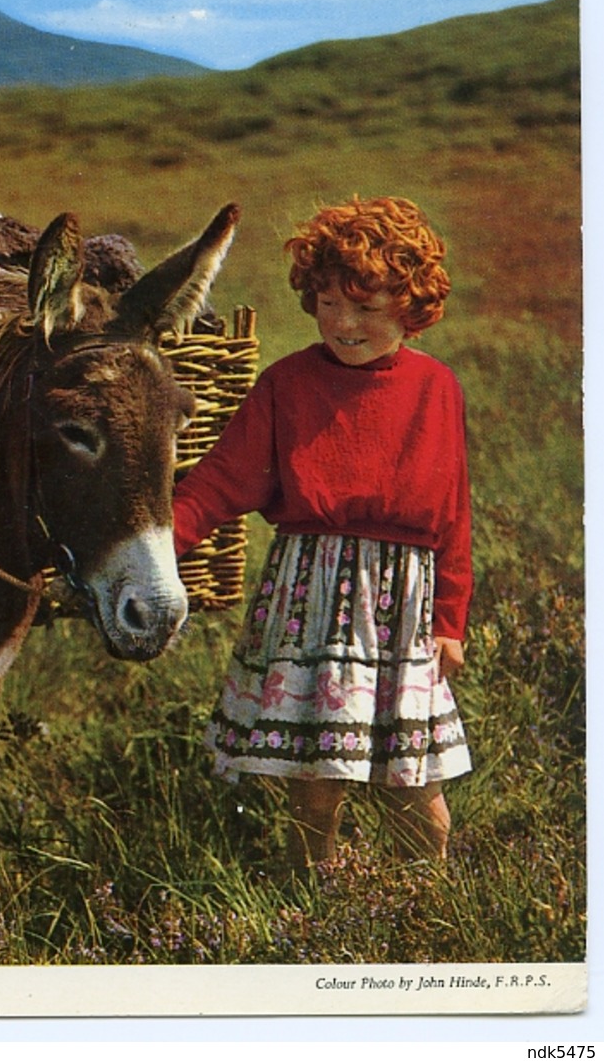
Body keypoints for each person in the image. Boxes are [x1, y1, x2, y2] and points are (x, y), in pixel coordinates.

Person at [172, 195, 473, 869]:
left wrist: (450, 619)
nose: (343, 323)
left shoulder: (436, 388)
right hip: (311, 602)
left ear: (410, 306)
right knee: (313, 785)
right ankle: (315, 899)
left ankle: (424, 903)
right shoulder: (286, 385)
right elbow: (220, 482)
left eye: (365, 309)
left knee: (415, 787)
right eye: (329, 302)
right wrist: (156, 548)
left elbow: (453, 515)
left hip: (402, 613)